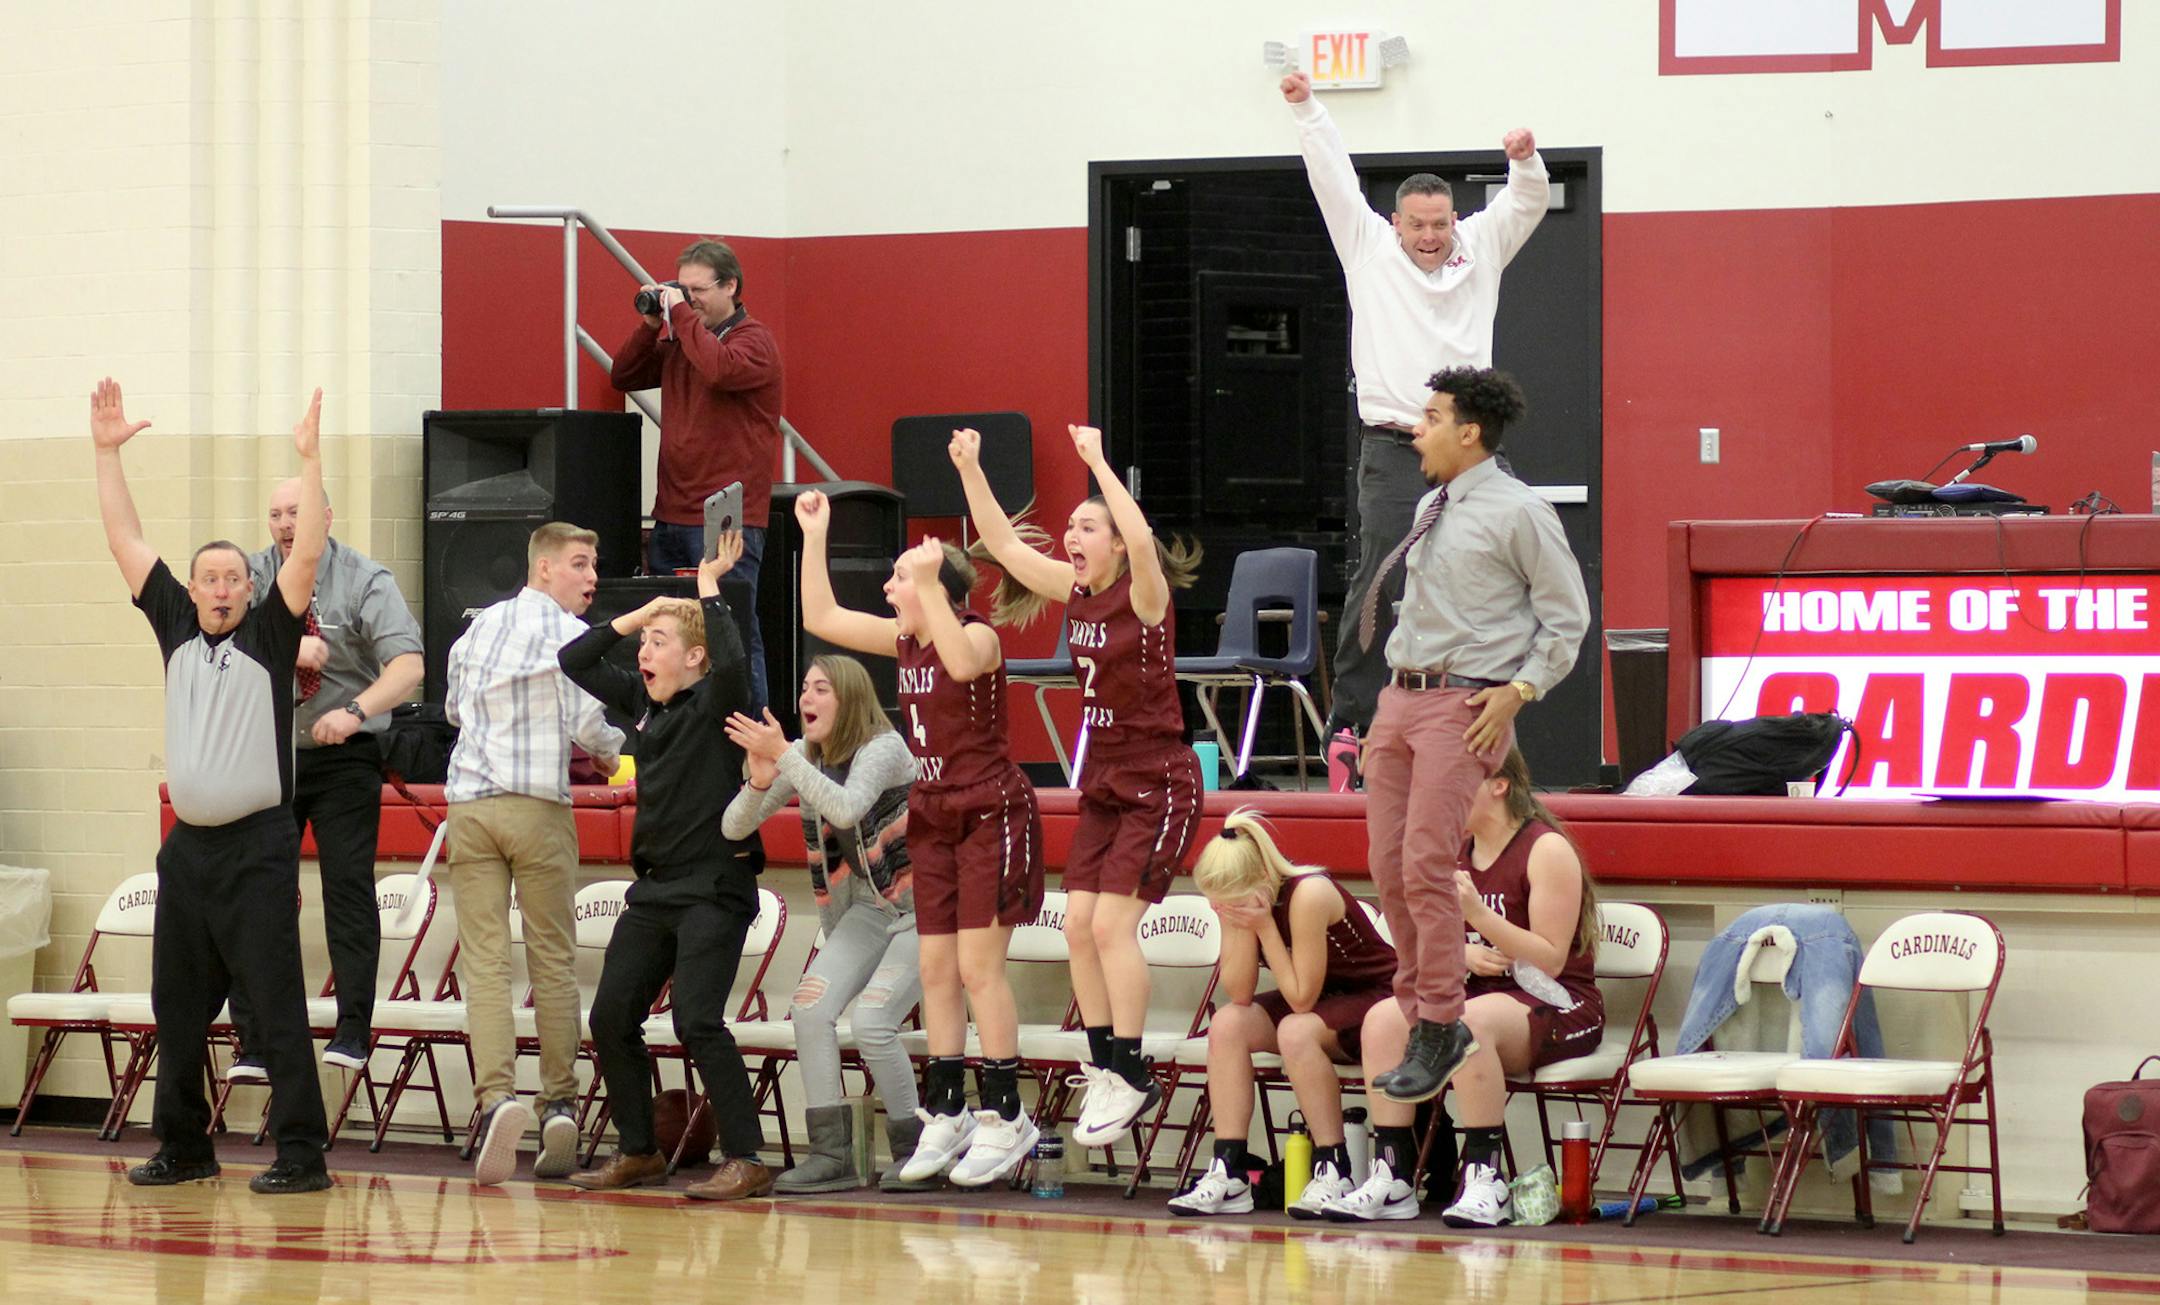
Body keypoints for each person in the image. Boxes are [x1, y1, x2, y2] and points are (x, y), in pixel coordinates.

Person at [91, 377, 334, 1195]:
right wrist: (105, 453)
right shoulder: (172, 624)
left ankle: (302, 1155)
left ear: (251, 590)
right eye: (210, 577)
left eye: (235, 576)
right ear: (191, 589)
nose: (223, 587)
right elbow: (124, 537)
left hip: (258, 848)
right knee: (179, 1008)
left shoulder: (273, 632)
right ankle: (187, 1146)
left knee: (275, 1004)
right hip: (187, 853)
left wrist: (310, 462)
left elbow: (307, 548)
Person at [1280, 70, 1550, 772]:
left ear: (1453, 220)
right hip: (1396, 446)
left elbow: (1528, 201)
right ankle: (1351, 728)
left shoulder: (1481, 249)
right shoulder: (1367, 247)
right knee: (1382, 577)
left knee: (1492, 573)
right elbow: (1332, 174)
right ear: (1395, 223)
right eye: (1417, 225)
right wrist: (1308, 106)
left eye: (1439, 224)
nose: (1429, 237)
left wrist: (1524, 157)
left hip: (1471, 448)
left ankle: (1488, 716)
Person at [953, 423, 1203, 1150]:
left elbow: (1145, 539)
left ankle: (1132, 1065)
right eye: (1070, 524)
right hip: (1104, 781)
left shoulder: (1145, 593)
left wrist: (1096, 462)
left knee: (1109, 926)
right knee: (1074, 925)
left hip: (1159, 778)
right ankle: (1104, 1062)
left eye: (1088, 524)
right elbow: (1002, 546)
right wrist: (971, 468)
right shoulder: (1075, 588)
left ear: (1118, 543)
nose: (1072, 533)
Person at [797, 490, 1047, 1188]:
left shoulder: (978, 636)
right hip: (934, 812)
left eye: (900, 575)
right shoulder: (905, 640)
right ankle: (947, 1109)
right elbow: (821, 616)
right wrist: (815, 535)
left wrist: (932, 582)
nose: (888, 586)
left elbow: (964, 666)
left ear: (938, 587)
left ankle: (1004, 1113)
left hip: (991, 811)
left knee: (977, 969)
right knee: (936, 970)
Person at [1361, 366, 1588, 1116]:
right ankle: (1420, 1015)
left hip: (1464, 702)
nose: (1415, 429)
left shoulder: (1522, 511)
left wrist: (1520, 689)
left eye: (1429, 417)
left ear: (1470, 431)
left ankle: (1442, 1020)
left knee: (1427, 858)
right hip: (1401, 693)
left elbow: (1567, 619)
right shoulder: (1432, 502)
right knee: (1388, 866)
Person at [559, 535, 775, 1201]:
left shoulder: (717, 703)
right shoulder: (645, 705)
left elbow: (736, 665)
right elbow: (574, 657)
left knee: (697, 1020)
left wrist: (710, 589)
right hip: (655, 888)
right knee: (611, 1015)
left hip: (716, 883)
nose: (644, 652)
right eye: (644, 642)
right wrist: (637, 613)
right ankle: (639, 1149)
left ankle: (747, 1155)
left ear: (695, 657)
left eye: (659, 641)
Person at [219, 481, 424, 1082]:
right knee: (257, 891)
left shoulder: (364, 579)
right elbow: (213, 642)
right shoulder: (249, 575)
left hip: (342, 755)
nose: (286, 524)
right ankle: (254, 1038)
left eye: (298, 513)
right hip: (265, 754)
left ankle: (354, 1028)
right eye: (276, 514)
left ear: (326, 518)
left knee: (347, 888)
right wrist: (279, 648)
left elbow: (408, 665)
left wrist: (357, 710)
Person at [442, 522, 625, 1187]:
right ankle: (559, 1101)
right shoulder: (571, 636)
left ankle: (495, 1100)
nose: (591, 577)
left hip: (469, 803)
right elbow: (586, 723)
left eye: (594, 564)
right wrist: (612, 751)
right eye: (580, 563)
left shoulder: (475, 627)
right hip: (537, 805)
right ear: (545, 568)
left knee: (485, 961)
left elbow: (456, 711)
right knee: (551, 955)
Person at [722, 655, 924, 1193]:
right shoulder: (807, 758)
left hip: (925, 910)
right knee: (809, 1009)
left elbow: (847, 806)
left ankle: (917, 1150)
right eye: (804, 688)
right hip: (867, 909)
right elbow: (732, 825)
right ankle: (832, 1155)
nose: (806, 699)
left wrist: (785, 758)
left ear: (849, 698)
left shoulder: (884, 749)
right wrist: (760, 779)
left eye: (820, 689)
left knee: (874, 1023)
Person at [1165, 811, 1396, 1218]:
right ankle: (1230, 1170)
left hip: (1378, 1000)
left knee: (1296, 1029)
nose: (1224, 907)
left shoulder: (1309, 893)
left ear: (1260, 883)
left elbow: (1302, 999)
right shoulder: (1247, 905)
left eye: (1229, 899)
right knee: (1228, 1024)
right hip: (1324, 1001)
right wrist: (1238, 926)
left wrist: (1266, 929)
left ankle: (1333, 1167)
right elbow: (1239, 994)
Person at [611, 237, 784, 711]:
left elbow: (719, 371)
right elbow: (622, 375)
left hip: (727, 521)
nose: (688, 300)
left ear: (731, 285)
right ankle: (684, 737)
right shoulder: (680, 336)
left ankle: (754, 757)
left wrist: (679, 317)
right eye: (681, 290)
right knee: (671, 635)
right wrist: (651, 327)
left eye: (697, 290)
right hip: (672, 512)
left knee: (733, 637)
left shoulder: (754, 341)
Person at [1437, 745, 1604, 1227]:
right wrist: (1458, 951)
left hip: (1557, 1001)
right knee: (1387, 1016)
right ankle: (1394, 1172)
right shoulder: (1454, 848)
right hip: (1485, 998)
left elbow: (1550, 958)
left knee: (1464, 1022)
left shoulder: (1545, 847)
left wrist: (1478, 917)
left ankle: (1485, 1177)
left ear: (1498, 784)